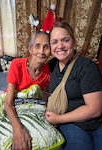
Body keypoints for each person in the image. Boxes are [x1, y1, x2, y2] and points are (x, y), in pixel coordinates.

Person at [45, 22, 102, 150]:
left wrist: (58, 118)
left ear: (73, 42)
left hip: (97, 123)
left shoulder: (87, 67)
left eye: (65, 40)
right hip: (72, 125)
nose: (60, 46)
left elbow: (95, 109)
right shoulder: (50, 66)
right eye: (54, 42)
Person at [4, 31, 51, 150]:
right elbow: (7, 102)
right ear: (30, 49)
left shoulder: (47, 71)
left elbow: (42, 95)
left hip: (28, 105)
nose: (41, 51)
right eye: (37, 46)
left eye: (46, 47)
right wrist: (17, 128)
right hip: (12, 103)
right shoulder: (16, 64)